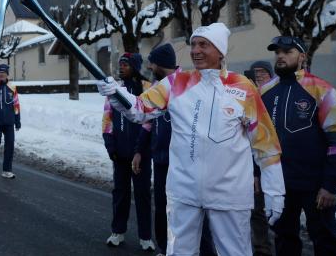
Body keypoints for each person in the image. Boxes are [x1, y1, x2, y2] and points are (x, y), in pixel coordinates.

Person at [97, 23, 285, 255]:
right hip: (183, 191)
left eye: (203, 45)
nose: (195, 50)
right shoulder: (178, 82)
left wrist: (275, 190)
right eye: (193, 44)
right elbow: (140, 109)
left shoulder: (243, 87)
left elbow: (265, 143)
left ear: (220, 51)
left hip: (230, 193)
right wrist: (117, 93)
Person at [261, 36, 336, 256]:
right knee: (284, 241)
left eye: (287, 51)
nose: (280, 56)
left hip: (315, 184)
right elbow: (257, 139)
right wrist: (257, 175)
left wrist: (330, 184)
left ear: (302, 57)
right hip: (279, 184)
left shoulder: (322, 90)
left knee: (325, 241)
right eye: (277, 52)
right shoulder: (264, 91)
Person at [136, 44, 216, 256]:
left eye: (152, 62)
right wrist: (139, 150)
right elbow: (145, 121)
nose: (150, 66)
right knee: (163, 208)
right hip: (161, 159)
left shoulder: (188, 84)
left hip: (184, 161)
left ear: (160, 63)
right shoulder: (157, 87)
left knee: (194, 210)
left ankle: (204, 251)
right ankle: (165, 248)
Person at [102, 52, 155, 250]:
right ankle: (117, 232)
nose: (121, 67)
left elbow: (149, 121)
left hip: (141, 154)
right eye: (120, 64)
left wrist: (140, 149)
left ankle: (146, 237)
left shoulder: (147, 88)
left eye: (125, 64)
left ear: (134, 66)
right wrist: (110, 145)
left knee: (142, 195)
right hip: (120, 153)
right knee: (120, 193)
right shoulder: (114, 90)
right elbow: (107, 119)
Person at [247, 60, 275, 256]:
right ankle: (261, 248)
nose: (259, 76)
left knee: (279, 211)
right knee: (257, 210)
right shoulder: (250, 99)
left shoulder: (275, 98)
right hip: (254, 165)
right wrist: (255, 172)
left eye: (263, 73)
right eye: (256, 73)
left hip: (275, 164)